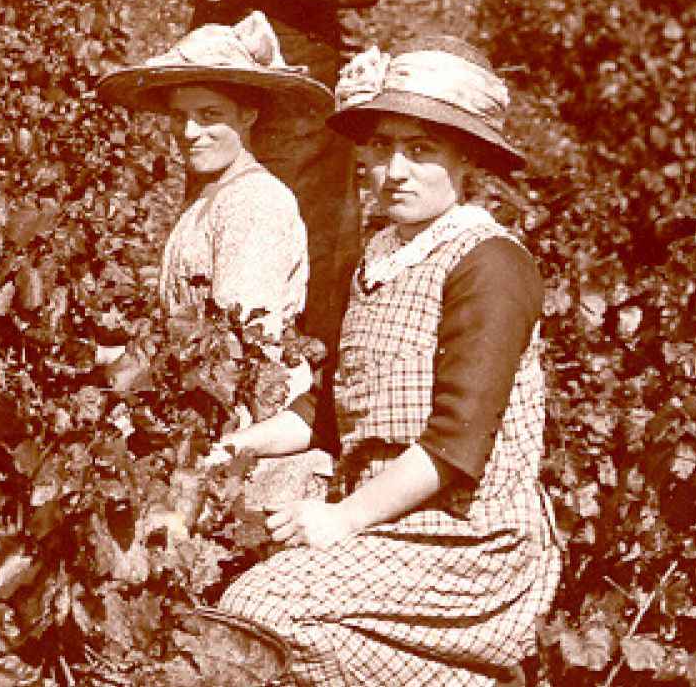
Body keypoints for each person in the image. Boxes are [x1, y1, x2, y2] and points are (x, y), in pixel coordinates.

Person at [215, 37, 561, 686]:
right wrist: (240, 446)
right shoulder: (378, 259)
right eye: (381, 147)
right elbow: (326, 418)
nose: (394, 169)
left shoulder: (488, 264)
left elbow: (457, 444)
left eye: (421, 150)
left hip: (468, 547)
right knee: (246, 610)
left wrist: (340, 519)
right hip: (386, 529)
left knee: (259, 610)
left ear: (467, 160)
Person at [193, 0, 385, 451]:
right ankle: (227, 403)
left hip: (303, 92)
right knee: (230, 223)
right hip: (245, 81)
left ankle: (309, 421)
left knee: (300, 240)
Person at [94, 11, 333, 448]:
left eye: (209, 114)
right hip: (192, 400)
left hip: (238, 421)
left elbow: (231, 344)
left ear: (247, 115)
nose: (189, 132)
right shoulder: (211, 197)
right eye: (180, 115)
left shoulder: (256, 202)